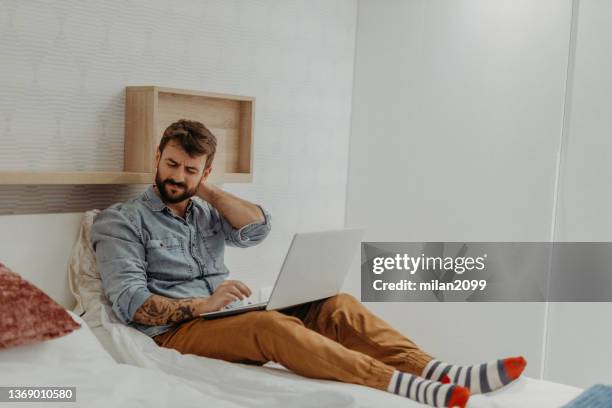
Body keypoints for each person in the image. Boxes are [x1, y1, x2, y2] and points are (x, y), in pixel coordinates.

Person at [91, 119, 526, 408]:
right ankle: (401, 385)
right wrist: (202, 306)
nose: (177, 176)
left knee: (334, 302)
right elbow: (133, 303)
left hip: (226, 316)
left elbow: (258, 229)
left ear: (206, 172)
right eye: (170, 165)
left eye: (190, 169)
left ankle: (438, 368)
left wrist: (202, 192)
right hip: (175, 331)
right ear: (156, 157)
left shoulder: (205, 209)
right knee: (273, 327)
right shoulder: (121, 220)